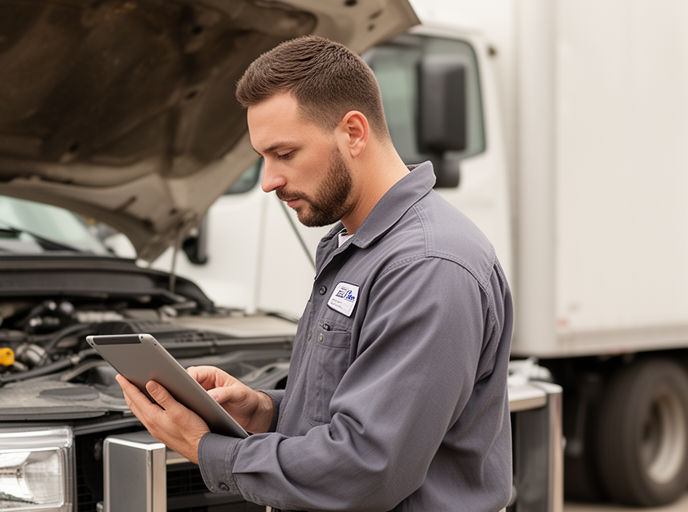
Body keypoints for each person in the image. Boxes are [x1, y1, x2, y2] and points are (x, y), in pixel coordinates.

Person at [116, 35, 513, 511]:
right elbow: (352, 408)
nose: (269, 181)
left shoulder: (427, 267)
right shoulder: (357, 247)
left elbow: (366, 468)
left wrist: (206, 448)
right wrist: (264, 410)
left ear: (354, 132)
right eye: (262, 158)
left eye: (284, 154)